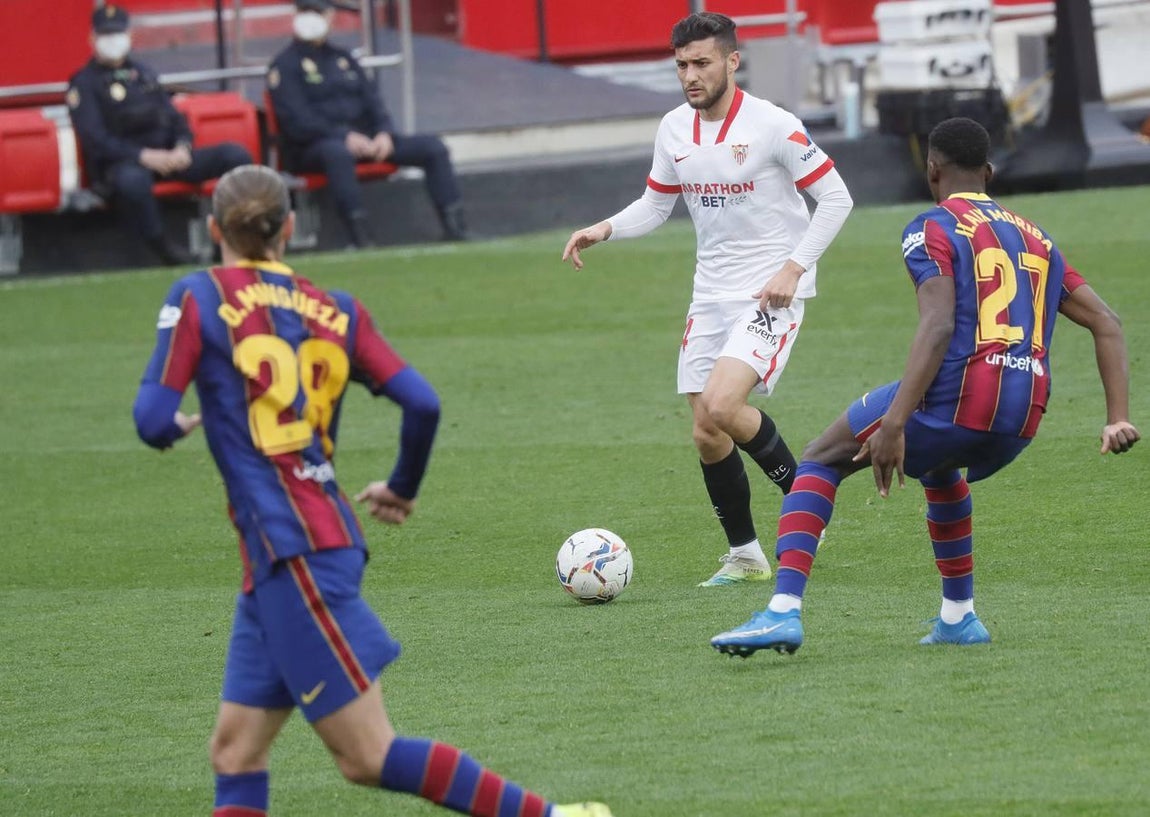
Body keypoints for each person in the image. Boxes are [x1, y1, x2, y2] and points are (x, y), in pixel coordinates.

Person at [132, 165, 611, 817]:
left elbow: (152, 420)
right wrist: (402, 487)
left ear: (213, 228)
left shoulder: (198, 296)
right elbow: (422, 402)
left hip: (294, 552)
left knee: (367, 755)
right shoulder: (337, 309)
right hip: (288, 553)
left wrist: (186, 422)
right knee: (235, 751)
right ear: (291, 228)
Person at [710, 117, 1141, 657]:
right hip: (1023, 416)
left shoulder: (931, 226)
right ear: (988, 172)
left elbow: (937, 325)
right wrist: (1116, 416)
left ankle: (780, 612)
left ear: (931, 169)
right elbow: (1108, 322)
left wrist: (893, 426)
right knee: (939, 467)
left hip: (962, 394)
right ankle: (959, 617)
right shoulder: (1038, 237)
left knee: (822, 458)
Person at [561, 12, 854, 587]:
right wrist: (604, 229)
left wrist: (794, 269)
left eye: (701, 63)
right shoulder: (674, 128)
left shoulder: (775, 125)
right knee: (706, 430)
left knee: (722, 405)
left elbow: (836, 198)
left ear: (732, 61)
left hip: (769, 292)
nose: (690, 76)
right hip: (710, 296)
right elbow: (655, 204)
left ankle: (807, 497)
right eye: (681, 66)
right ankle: (745, 555)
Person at [267, 0, 471, 247]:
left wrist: (384, 133)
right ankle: (360, 237)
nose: (313, 18)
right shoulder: (284, 65)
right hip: (315, 148)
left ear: (331, 17)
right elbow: (297, 121)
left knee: (433, 148)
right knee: (337, 153)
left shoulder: (344, 59)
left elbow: (374, 103)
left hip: (368, 143)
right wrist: (344, 137)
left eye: (320, 12)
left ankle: (455, 227)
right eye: (307, 12)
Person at [67, 4, 252, 265]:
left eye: (117, 34)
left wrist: (182, 147)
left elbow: (176, 119)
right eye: (105, 35)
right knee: (133, 181)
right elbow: (95, 139)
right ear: (92, 39)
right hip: (123, 164)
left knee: (235, 155)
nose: (112, 41)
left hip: (168, 158)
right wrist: (143, 156)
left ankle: (225, 240)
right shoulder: (84, 83)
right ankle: (163, 249)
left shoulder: (144, 74)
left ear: (129, 36)